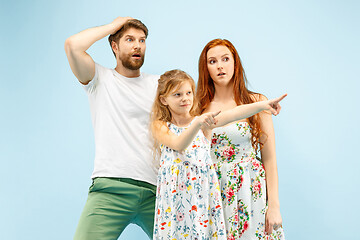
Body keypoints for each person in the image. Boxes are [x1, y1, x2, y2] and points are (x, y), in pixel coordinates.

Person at [150, 69, 286, 239]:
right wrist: (197, 122)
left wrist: (262, 105)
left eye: (188, 93)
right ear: (164, 100)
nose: (185, 98)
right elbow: (179, 144)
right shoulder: (161, 125)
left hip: (202, 199)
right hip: (174, 199)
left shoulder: (203, 122)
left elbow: (233, 114)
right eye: (177, 94)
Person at [64, 17, 159, 240]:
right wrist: (113, 26)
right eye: (129, 39)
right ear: (114, 46)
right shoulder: (100, 79)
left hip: (156, 192)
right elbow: (72, 45)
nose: (137, 45)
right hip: (111, 189)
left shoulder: (159, 85)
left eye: (142, 40)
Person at [196, 39, 286, 240]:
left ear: (235, 63)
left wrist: (274, 206)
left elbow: (269, 159)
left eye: (225, 59)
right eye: (212, 61)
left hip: (250, 192)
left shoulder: (257, 102)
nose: (220, 66)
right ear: (206, 68)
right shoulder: (197, 107)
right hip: (214, 192)